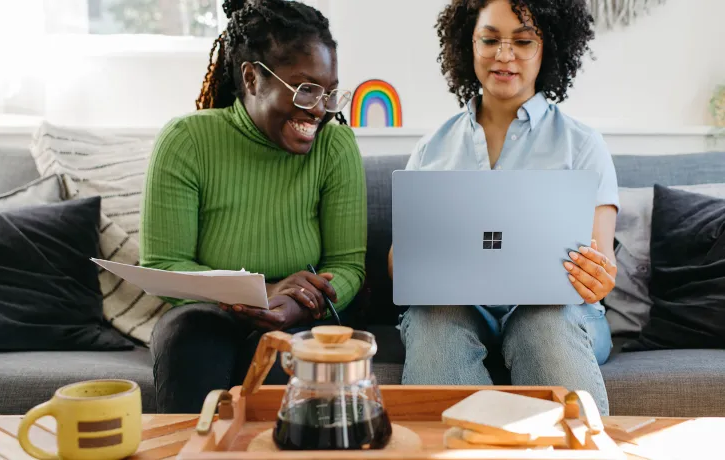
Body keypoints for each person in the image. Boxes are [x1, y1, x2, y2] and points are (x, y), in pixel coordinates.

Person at [388, 0, 619, 415]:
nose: (504, 55)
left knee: (543, 322)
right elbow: (397, 264)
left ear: (547, 47)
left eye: (523, 41)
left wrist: (597, 278)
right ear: (468, 44)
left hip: (559, 313)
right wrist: (414, 259)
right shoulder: (432, 148)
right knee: (433, 320)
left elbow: (598, 261)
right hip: (457, 311)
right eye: (490, 39)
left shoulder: (582, 144)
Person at [140, 0, 367, 414]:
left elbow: (348, 265)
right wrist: (260, 292)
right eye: (306, 89)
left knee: (289, 357)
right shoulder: (186, 140)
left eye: (330, 92)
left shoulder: (336, 146)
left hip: (303, 312)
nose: (319, 108)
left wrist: (299, 302)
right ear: (252, 78)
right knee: (187, 334)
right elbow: (163, 265)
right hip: (209, 312)